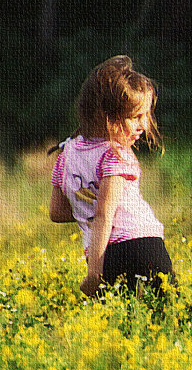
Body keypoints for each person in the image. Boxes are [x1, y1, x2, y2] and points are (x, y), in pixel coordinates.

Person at [49, 55, 174, 296]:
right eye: (135, 117)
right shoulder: (116, 155)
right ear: (106, 116)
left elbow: (57, 212)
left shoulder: (66, 153)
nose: (144, 126)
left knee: (123, 326)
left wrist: (87, 212)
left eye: (145, 116)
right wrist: (94, 274)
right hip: (142, 246)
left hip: (103, 254)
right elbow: (105, 214)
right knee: (164, 318)